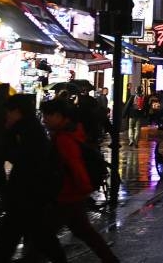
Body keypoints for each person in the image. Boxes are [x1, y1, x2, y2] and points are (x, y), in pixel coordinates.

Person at [41, 97, 119, 262]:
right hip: (72, 194)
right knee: (84, 232)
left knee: (43, 236)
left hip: (66, 194)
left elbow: (74, 164)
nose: (44, 119)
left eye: (48, 115)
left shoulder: (64, 138)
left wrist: (83, 187)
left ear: (60, 116)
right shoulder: (71, 132)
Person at [0, 95, 65, 262]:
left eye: (9, 112)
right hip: (30, 192)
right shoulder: (31, 127)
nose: (7, 115)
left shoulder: (25, 129)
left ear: (17, 111)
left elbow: (19, 156)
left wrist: (8, 134)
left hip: (26, 192)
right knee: (38, 236)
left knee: (17, 237)